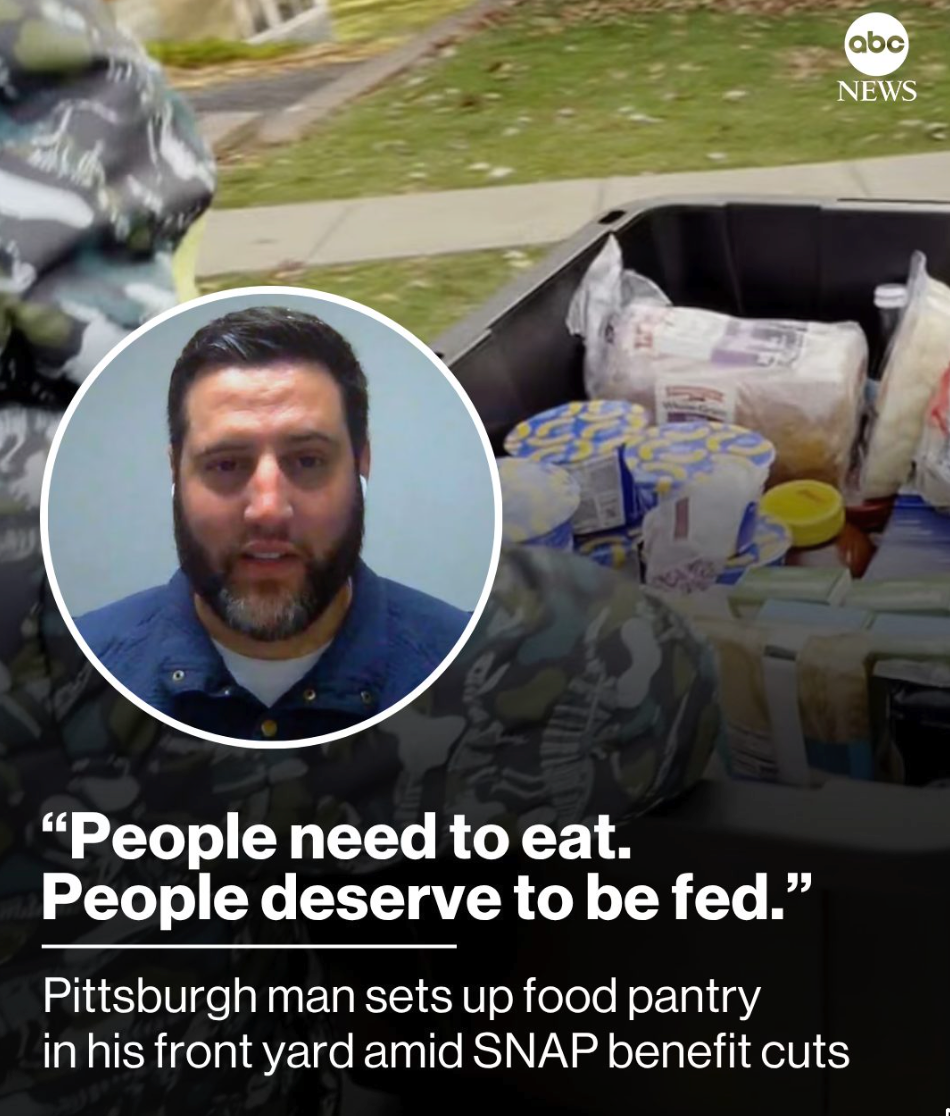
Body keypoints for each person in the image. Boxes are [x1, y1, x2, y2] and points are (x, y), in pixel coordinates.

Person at [74, 305, 472, 741]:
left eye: (307, 460)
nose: (268, 509)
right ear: (175, 472)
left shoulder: (478, 668)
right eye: (226, 464)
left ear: (362, 462)